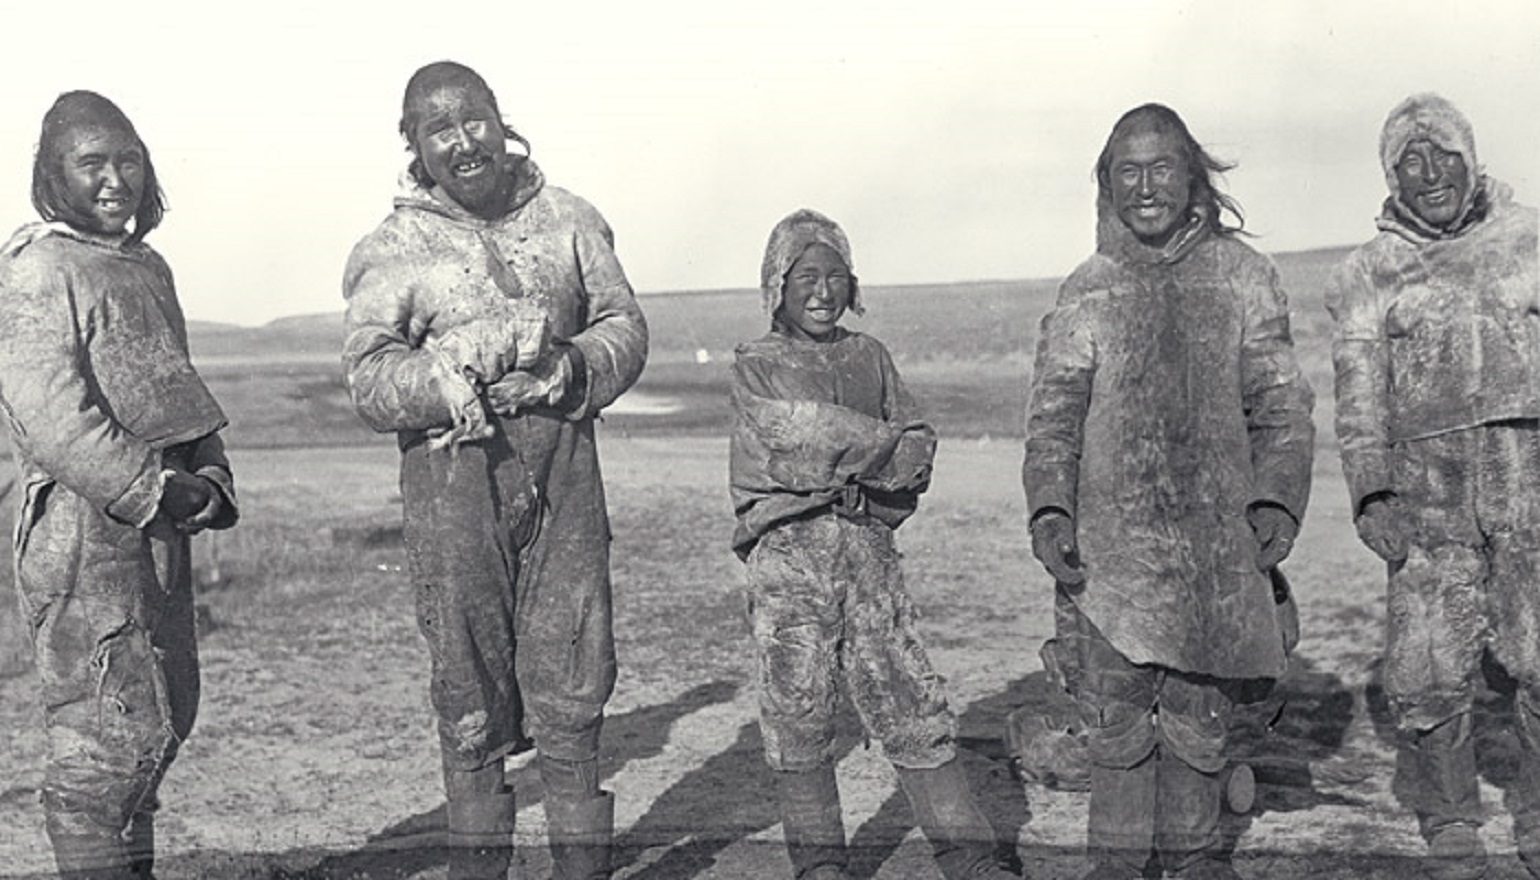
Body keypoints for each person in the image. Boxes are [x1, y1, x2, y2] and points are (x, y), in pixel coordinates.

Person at [342, 61, 647, 880]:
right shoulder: (392, 248)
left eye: (473, 119)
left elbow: (623, 321)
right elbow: (368, 376)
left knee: (575, 676)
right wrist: (440, 380)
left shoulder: (570, 220)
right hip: (454, 489)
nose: (462, 141)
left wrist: (569, 369)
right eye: (438, 129)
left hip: (565, 475)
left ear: (501, 121)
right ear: (414, 146)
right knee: (469, 687)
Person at [1023, 104, 1315, 880]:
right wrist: (1051, 510)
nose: (1145, 186)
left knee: (1199, 725)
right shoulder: (1087, 289)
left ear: (1192, 179)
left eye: (1162, 168)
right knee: (1116, 728)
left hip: (1214, 556)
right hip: (1109, 559)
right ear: (1106, 184)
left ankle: (1192, 864)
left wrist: (1277, 502)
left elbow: (1281, 404)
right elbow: (1053, 415)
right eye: (1128, 170)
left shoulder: (1245, 278)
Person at [730, 209, 1022, 880]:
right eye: (806, 275)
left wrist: (857, 454)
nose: (823, 290)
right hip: (787, 561)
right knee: (798, 710)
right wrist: (875, 447)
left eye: (836, 275)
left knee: (910, 698)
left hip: (869, 555)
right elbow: (789, 442)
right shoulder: (757, 365)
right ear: (776, 285)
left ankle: (970, 858)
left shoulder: (872, 357)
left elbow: (919, 444)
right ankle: (821, 866)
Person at [0, 91, 238, 879]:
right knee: (100, 740)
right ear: (51, 175)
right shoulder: (38, 271)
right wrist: (153, 487)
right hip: (81, 532)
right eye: (91, 163)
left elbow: (177, 386)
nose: (115, 180)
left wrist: (209, 475)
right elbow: (49, 416)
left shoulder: (147, 267)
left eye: (128, 160)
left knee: (160, 717)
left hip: (158, 524)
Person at [1325, 93, 1540, 880]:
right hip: (1427, 495)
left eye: (1442, 154)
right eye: (1409, 161)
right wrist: (1372, 491)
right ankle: (1449, 816)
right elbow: (1357, 396)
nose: (1429, 174)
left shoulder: (1529, 243)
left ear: (1471, 157)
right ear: (1391, 177)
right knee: (1429, 668)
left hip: (1529, 488)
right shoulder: (1367, 274)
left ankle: (1538, 810)